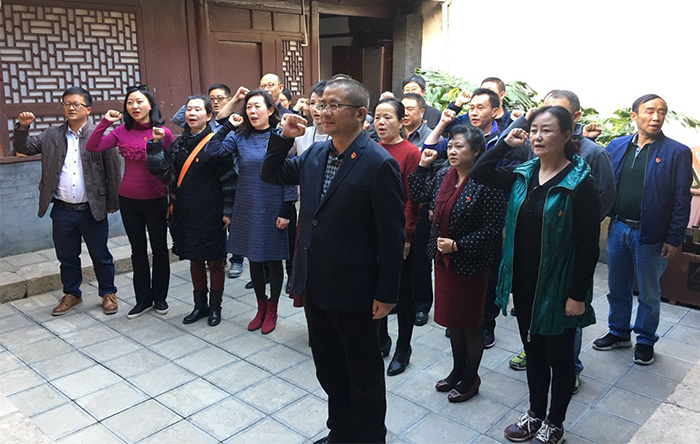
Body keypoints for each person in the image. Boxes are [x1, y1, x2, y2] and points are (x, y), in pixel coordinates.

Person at [261, 77, 405, 444]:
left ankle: (370, 437)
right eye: (320, 104)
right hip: (316, 282)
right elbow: (271, 173)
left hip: (356, 289)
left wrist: (387, 293)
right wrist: (283, 137)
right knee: (328, 366)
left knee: (363, 373)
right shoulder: (315, 154)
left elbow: (391, 237)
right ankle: (340, 431)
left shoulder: (379, 164)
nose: (323, 112)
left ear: (360, 114)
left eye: (333, 105)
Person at [471, 106, 601, 444]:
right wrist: (504, 143)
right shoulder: (523, 173)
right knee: (534, 352)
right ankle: (534, 414)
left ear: (567, 135)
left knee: (559, 358)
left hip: (558, 286)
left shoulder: (580, 183)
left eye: (547, 130)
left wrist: (577, 295)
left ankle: (554, 422)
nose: (537, 137)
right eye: (533, 130)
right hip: (525, 283)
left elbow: (588, 247)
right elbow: (480, 172)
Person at [506, 90, 616, 394]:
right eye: (536, 125)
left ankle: (568, 376)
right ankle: (536, 401)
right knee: (536, 341)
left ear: (570, 126)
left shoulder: (591, 159)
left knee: (562, 342)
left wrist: (567, 226)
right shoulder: (531, 164)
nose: (539, 133)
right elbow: (487, 170)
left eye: (552, 121)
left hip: (563, 265)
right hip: (531, 270)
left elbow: (603, 201)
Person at [409, 124, 505, 402]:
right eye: (450, 146)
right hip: (444, 261)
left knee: (470, 324)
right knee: (453, 323)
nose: (451, 151)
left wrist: (458, 245)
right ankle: (457, 371)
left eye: (458, 146)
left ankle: (471, 378)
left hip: (471, 263)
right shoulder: (444, 174)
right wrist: (422, 166)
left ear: (476, 151)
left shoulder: (489, 181)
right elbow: (417, 194)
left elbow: (493, 229)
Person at [593, 94, 692, 365]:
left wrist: (674, 237)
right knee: (617, 286)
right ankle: (619, 332)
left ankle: (646, 339)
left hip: (652, 236)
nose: (656, 117)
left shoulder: (677, 152)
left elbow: (681, 199)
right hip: (618, 227)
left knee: (649, 292)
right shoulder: (617, 145)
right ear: (634, 115)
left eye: (662, 112)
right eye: (649, 111)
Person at [14, 87, 121, 316]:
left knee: (101, 255)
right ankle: (72, 293)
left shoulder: (101, 135)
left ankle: (108, 293)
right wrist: (23, 127)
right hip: (62, 209)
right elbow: (23, 148)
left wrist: (113, 202)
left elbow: (113, 170)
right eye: (66, 104)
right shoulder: (51, 135)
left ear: (88, 109)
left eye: (76, 104)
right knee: (67, 257)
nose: (71, 108)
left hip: (92, 208)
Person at [204, 89, 297, 334]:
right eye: (248, 107)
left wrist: (286, 208)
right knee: (253, 258)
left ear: (270, 110)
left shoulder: (281, 136)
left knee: (273, 259)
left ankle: (273, 308)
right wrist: (227, 126)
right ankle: (260, 306)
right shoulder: (240, 137)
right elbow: (212, 151)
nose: (252, 111)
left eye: (257, 106)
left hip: (273, 204)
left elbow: (290, 173)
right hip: (247, 204)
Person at [146, 95, 236, 326]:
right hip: (186, 210)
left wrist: (228, 211)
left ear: (209, 115)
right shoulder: (178, 144)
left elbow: (228, 179)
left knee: (215, 261)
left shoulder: (216, 143)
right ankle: (199, 306)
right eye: (189, 109)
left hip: (212, 210)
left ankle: (215, 307)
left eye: (198, 109)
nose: (192, 114)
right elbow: (162, 172)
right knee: (195, 259)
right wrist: (155, 144)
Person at [85, 85, 173, 319]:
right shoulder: (120, 132)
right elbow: (92, 146)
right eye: (130, 102)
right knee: (137, 250)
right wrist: (105, 122)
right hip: (129, 199)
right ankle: (142, 299)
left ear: (150, 105)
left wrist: (172, 199)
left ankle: (160, 297)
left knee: (160, 249)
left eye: (140, 101)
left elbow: (171, 168)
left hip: (156, 198)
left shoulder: (162, 132)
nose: (135, 106)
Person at [373, 98, 421, 376]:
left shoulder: (410, 152)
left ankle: (404, 347)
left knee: (403, 294)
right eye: (377, 117)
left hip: (400, 235)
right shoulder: (373, 148)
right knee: (377, 287)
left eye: (387, 117)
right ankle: (381, 338)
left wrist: (406, 236)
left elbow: (412, 198)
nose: (381, 122)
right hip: (374, 233)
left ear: (401, 121)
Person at [293, 81, 330, 156]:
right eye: (312, 103)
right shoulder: (301, 134)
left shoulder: (340, 137)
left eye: (321, 103)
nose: (315, 109)